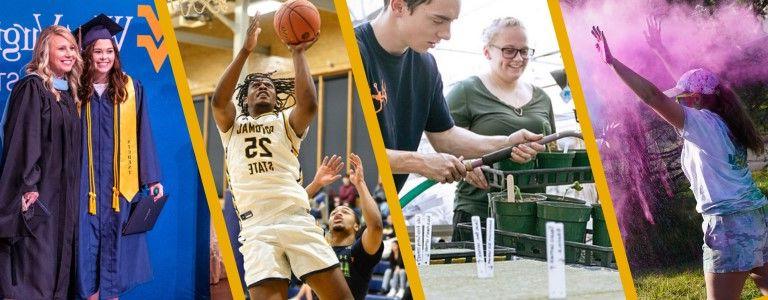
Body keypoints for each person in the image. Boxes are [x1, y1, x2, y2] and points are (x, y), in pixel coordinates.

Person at [591, 25, 768, 299]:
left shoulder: (701, 124)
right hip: (758, 216)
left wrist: (613, 64)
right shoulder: (727, 120)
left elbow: (653, 97)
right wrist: (661, 51)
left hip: (728, 224)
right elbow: (694, 88)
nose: (678, 106)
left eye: (682, 100)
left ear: (695, 101)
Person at [210, 13, 352, 299]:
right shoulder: (231, 126)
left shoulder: (285, 123)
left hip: (295, 218)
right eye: (255, 86)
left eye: (270, 86)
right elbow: (218, 101)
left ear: (277, 99)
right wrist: (246, 50)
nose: (263, 87)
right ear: (246, 99)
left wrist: (297, 52)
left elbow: (309, 103)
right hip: (256, 227)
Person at [355, 0, 544, 192]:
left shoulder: (425, 65)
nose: (447, 34)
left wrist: (506, 143)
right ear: (398, 6)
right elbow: (356, 152)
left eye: (451, 22)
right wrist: (419, 162)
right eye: (438, 20)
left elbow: (445, 136)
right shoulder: (357, 53)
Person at [72, 14, 164, 299]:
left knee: (115, 266)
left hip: (118, 188)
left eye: (109, 51)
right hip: (84, 188)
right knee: (85, 262)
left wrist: (152, 178)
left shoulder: (130, 89)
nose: (104, 57)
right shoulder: (73, 90)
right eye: (97, 51)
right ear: (87, 54)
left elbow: (142, 133)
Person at [446, 17, 556, 240]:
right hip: (479, 213)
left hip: (533, 215)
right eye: (509, 50)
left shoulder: (542, 99)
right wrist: (463, 167)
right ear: (488, 52)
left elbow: (552, 151)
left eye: (524, 51)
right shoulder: (465, 92)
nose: (518, 58)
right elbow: (443, 144)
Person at [0, 25, 83, 299]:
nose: (69, 53)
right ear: (45, 52)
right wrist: (28, 188)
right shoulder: (32, 88)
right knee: (36, 272)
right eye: (62, 48)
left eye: (72, 48)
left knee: (57, 272)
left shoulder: (68, 94)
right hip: (40, 199)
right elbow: (24, 142)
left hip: (64, 200)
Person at [329, 153, 384, 300]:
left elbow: (376, 227)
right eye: (334, 213)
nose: (338, 214)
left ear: (356, 226)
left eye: (345, 212)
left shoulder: (358, 252)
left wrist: (360, 184)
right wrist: (316, 184)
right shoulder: (319, 249)